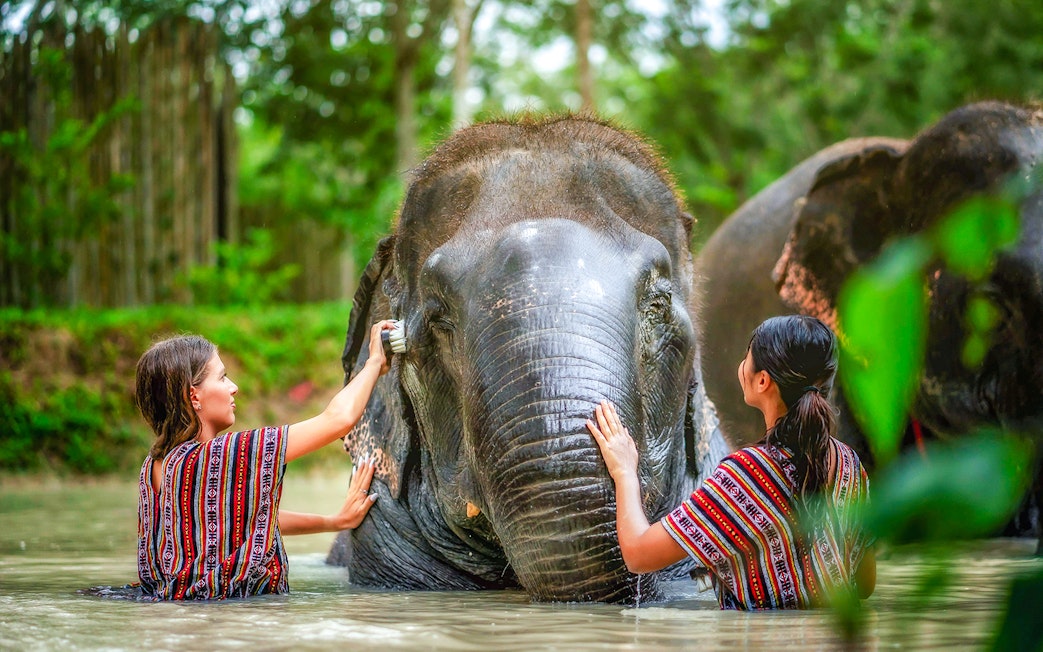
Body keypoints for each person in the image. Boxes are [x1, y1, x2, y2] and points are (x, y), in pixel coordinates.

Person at [587, 315, 875, 610]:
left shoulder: (747, 473)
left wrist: (624, 473)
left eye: (747, 357)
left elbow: (637, 555)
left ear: (762, 380)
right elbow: (865, 584)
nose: (742, 366)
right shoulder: (849, 464)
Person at [133, 320, 394, 601]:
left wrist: (334, 521)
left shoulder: (155, 466)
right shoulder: (221, 455)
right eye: (221, 378)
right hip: (231, 620)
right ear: (193, 395)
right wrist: (373, 363)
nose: (233, 387)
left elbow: (243, 519)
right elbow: (337, 420)